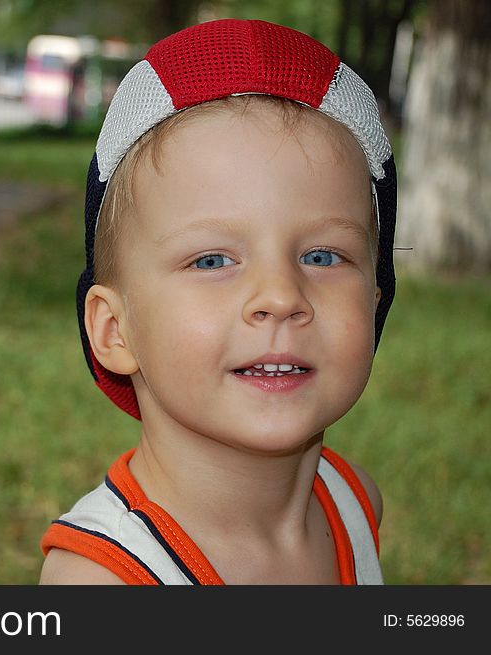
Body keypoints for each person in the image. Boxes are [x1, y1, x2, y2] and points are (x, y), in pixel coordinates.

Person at [39, 18, 397, 585]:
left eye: (323, 257)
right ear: (113, 330)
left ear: (374, 305)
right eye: (212, 261)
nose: (280, 297)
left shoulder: (353, 505)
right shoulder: (105, 580)